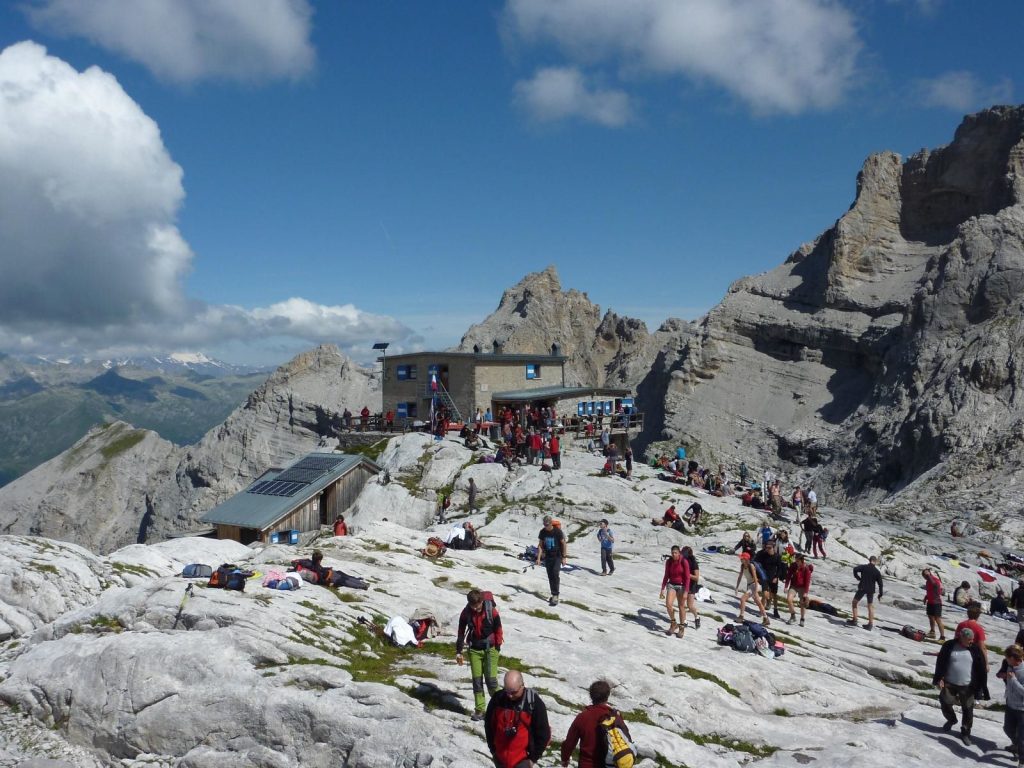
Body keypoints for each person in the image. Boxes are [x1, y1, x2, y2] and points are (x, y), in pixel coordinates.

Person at [485, 670, 551, 768]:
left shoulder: (534, 704)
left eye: (513, 692)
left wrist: (532, 760)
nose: (510, 695)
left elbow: (543, 734)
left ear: (522, 685)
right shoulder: (498, 699)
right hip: (500, 759)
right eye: (507, 691)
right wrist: (493, 750)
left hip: (522, 761)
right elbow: (489, 725)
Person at [933, 626, 986, 747]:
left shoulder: (975, 649)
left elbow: (980, 668)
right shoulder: (949, 646)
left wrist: (980, 688)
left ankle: (965, 732)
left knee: (967, 709)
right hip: (949, 682)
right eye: (969, 639)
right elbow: (941, 662)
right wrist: (939, 678)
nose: (971, 641)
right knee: (945, 701)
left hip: (967, 685)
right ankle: (951, 719)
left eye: (972, 639)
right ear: (961, 637)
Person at [560, 679, 632, 768]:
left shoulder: (582, 717)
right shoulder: (615, 716)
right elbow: (626, 738)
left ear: (591, 696)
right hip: (610, 765)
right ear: (608, 696)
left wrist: (565, 759)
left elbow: (569, 743)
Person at [456, 589, 504, 721]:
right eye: (473, 606)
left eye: (478, 605)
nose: (476, 608)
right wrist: (459, 651)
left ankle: (503, 706)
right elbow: (461, 631)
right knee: (477, 681)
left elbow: (498, 628)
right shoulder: (466, 613)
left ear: (482, 601)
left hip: (491, 649)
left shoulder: (491, 611)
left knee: (491, 681)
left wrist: (497, 646)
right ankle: (480, 710)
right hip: (474, 650)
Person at [999, 644, 1024, 765]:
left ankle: (1022, 761)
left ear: (1014, 658)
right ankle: (1016, 746)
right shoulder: (1010, 666)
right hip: (1010, 705)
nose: (1006, 660)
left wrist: (1013, 680)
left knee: (1022, 738)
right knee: (1008, 729)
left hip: (1022, 709)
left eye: (1008, 658)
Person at [660, 545, 691, 637]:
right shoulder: (669, 562)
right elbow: (666, 575)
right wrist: (662, 588)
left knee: (681, 606)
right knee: (668, 604)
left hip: (681, 586)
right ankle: (673, 623)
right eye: (672, 553)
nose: (674, 554)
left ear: (679, 553)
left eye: (676, 553)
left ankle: (681, 627)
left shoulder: (684, 562)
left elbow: (687, 577)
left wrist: (686, 591)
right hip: (672, 584)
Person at [536, 516, 567, 606]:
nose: (546, 526)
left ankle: (555, 595)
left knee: (555, 573)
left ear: (551, 523)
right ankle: (554, 594)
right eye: (544, 524)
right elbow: (541, 545)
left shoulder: (557, 531)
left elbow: (563, 544)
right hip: (548, 556)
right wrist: (538, 558)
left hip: (557, 556)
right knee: (550, 576)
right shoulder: (542, 532)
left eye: (547, 524)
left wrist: (564, 557)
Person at [735, 552, 770, 626]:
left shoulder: (751, 566)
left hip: (754, 585)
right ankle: (766, 618)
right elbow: (740, 576)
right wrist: (737, 587)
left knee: (742, 599)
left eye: (742, 558)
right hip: (751, 585)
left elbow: (755, 578)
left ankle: (741, 616)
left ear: (746, 559)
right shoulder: (742, 566)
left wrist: (756, 588)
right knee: (759, 603)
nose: (741, 559)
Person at [849, 556, 884, 630]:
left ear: (869, 560)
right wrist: (880, 594)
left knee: (854, 602)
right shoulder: (877, 571)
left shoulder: (864, 567)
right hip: (871, 590)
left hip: (862, 588)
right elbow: (880, 584)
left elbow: (855, 569)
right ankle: (870, 625)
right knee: (870, 606)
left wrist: (858, 578)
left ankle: (855, 620)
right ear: (875, 561)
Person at [754, 541, 785, 620]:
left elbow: (780, 568)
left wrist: (777, 577)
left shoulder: (777, 556)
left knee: (774, 595)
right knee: (764, 594)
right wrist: (758, 577)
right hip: (764, 577)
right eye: (766, 547)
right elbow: (757, 564)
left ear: (773, 548)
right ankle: (762, 611)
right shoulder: (763, 555)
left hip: (773, 578)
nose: (767, 549)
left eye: (769, 548)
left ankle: (775, 610)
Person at [785, 553, 814, 626]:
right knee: (789, 599)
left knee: (802, 603)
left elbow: (807, 581)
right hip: (794, 586)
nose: (796, 562)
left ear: (802, 561)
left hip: (802, 587)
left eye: (797, 561)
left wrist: (806, 592)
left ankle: (802, 618)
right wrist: (786, 586)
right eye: (796, 560)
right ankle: (793, 616)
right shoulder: (793, 565)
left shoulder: (806, 568)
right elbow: (788, 576)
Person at [923, 569, 946, 640]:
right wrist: (926, 597)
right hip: (930, 602)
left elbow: (934, 585)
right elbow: (930, 590)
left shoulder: (935, 580)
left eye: (926, 575)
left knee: (937, 619)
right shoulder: (927, 582)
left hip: (937, 603)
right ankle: (932, 632)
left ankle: (942, 637)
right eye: (924, 575)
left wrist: (929, 575)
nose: (925, 576)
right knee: (930, 617)